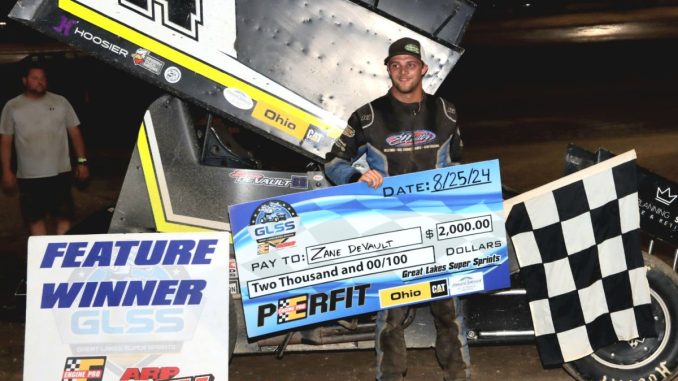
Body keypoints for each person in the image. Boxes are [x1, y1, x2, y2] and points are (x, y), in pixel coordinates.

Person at [324, 37, 469, 381]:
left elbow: (459, 166)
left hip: (438, 229)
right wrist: (358, 176)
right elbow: (332, 162)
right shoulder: (368, 115)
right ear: (388, 70)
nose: (404, 71)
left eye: (411, 64)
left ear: (423, 69)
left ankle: (459, 376)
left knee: (450, 313)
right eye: (396, 65)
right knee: (389, 317)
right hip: (390, 232)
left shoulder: (447, 113)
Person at [0, 63, 89, 235]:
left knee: (64, 218)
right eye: (35, 78)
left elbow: (75, 133)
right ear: (24, 81)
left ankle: (60, 258)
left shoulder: (61, 102)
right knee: (35, 219)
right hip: (29, 176)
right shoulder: (12, 107)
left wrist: (82, 162)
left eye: (43, 78)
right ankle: (42, 257)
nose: (40, 82)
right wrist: (6, 171)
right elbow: (5, 140)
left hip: (60, 173)